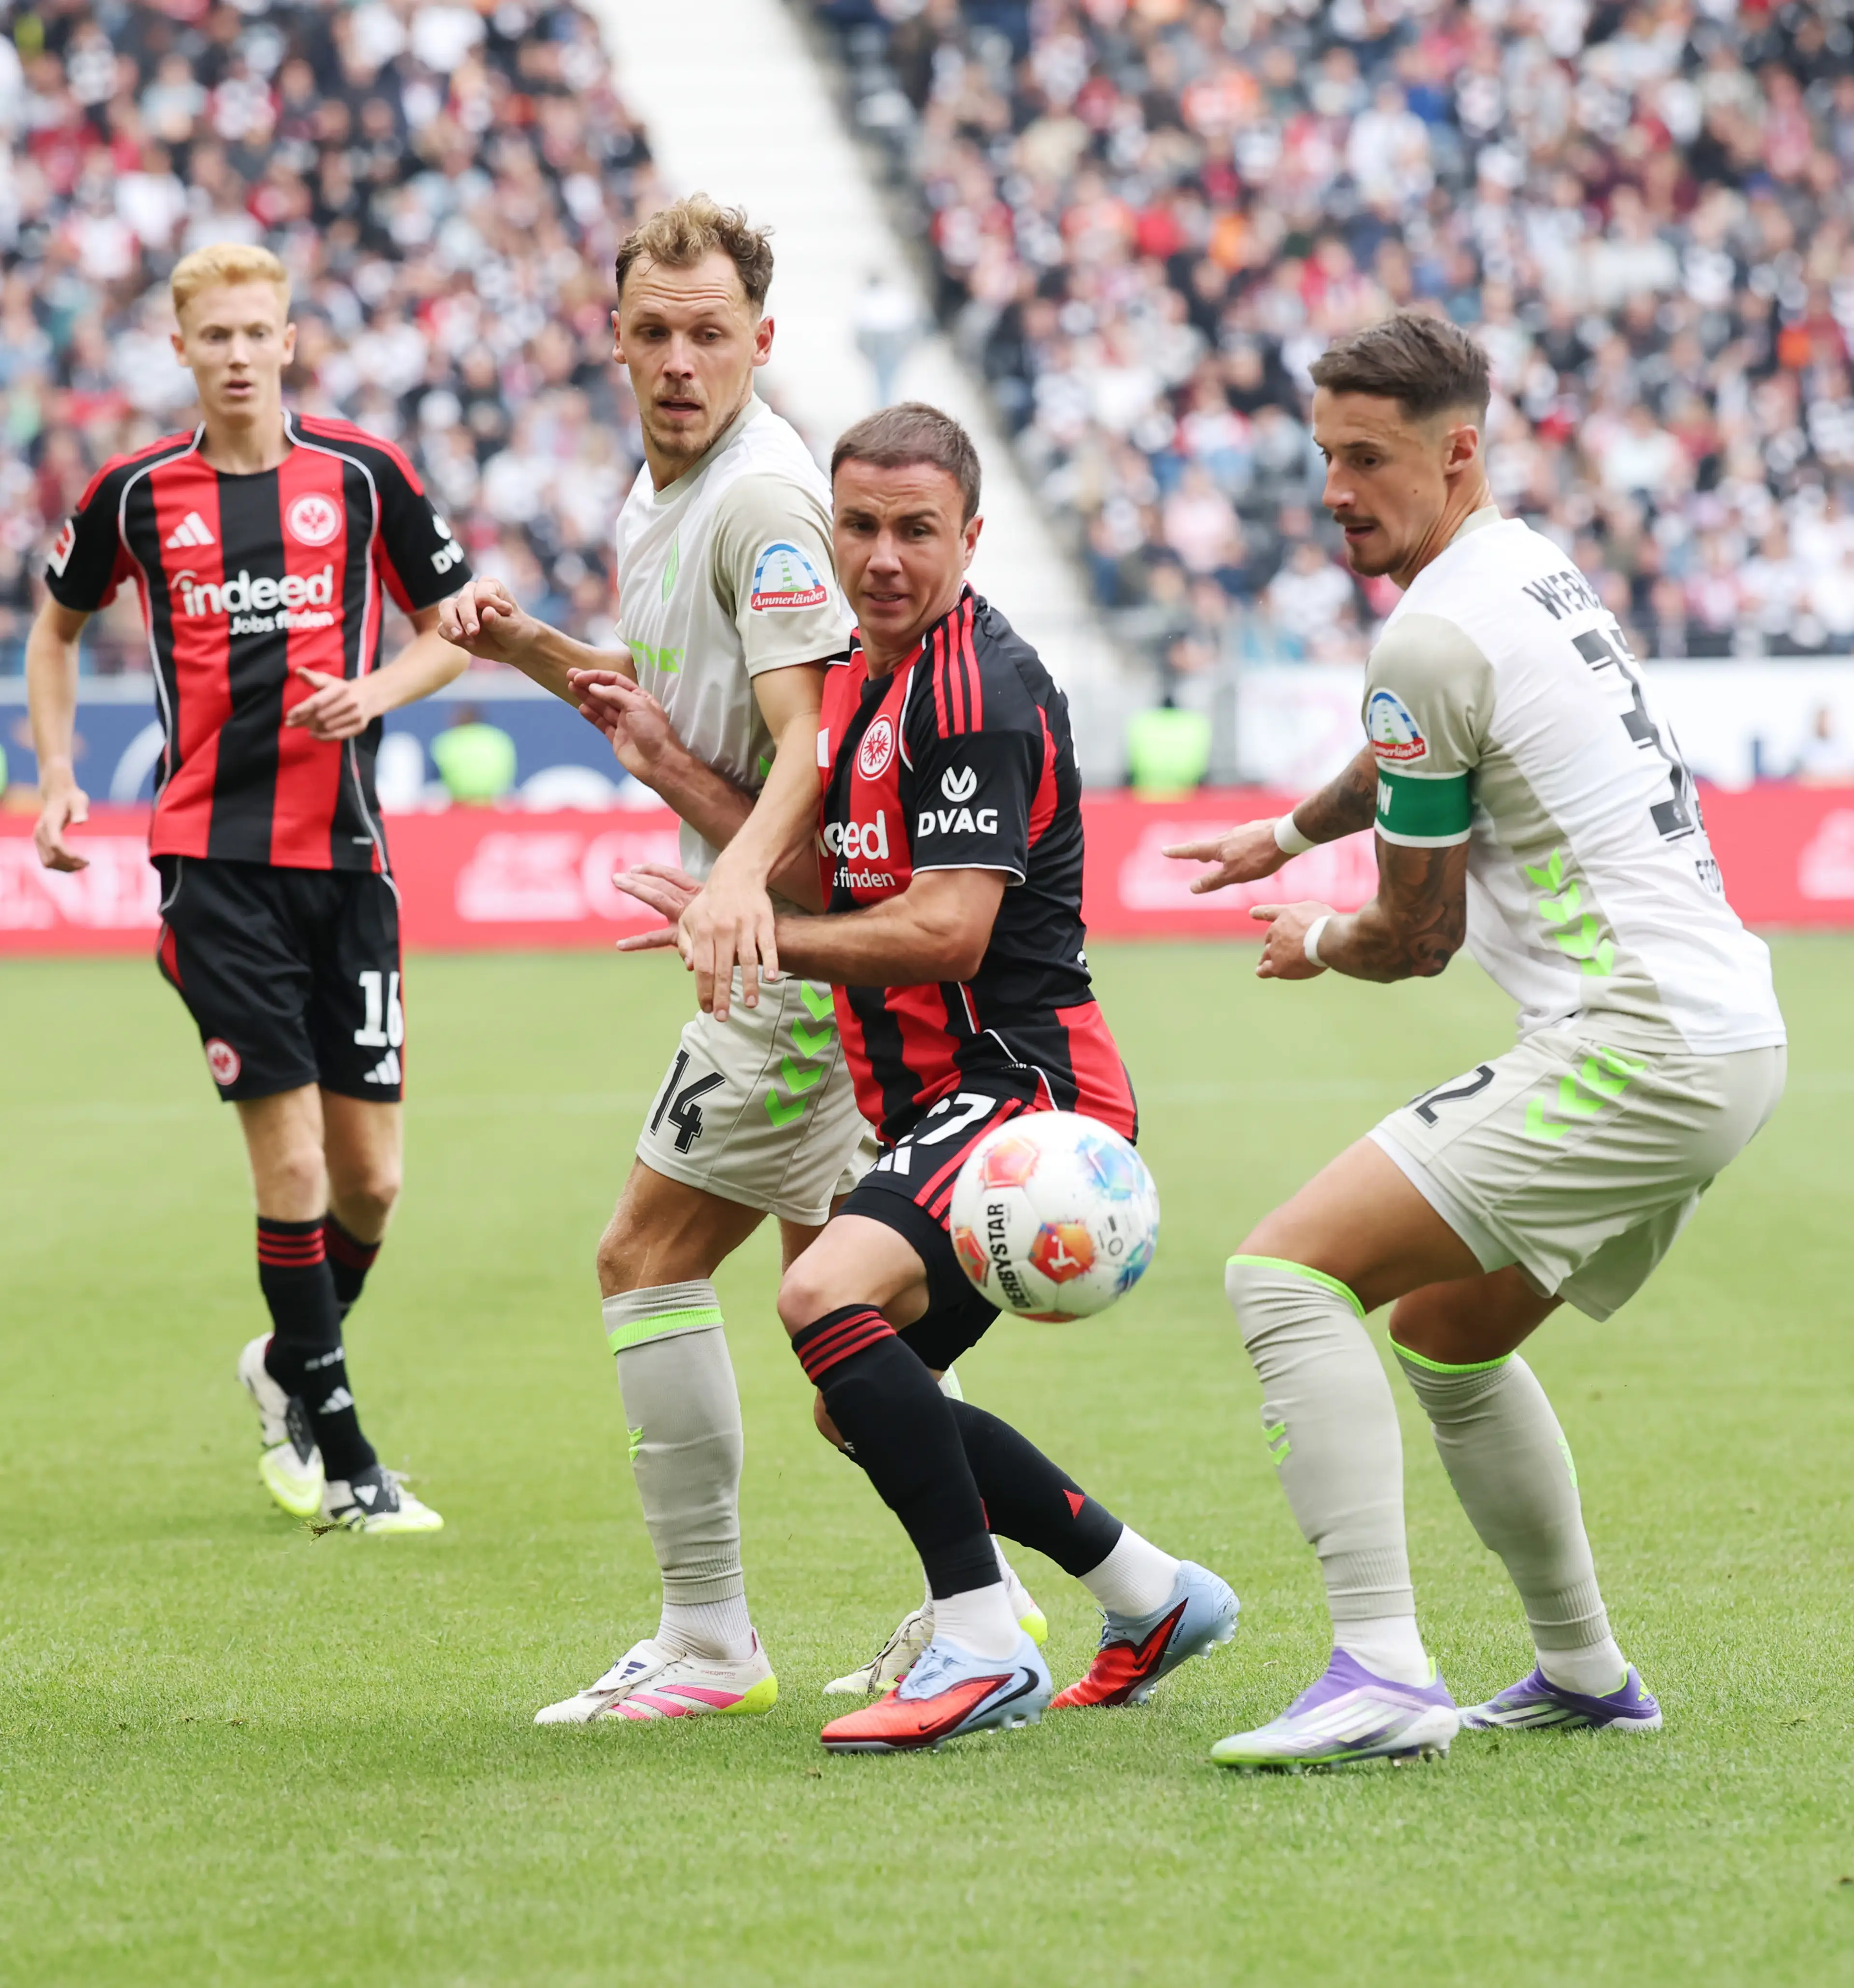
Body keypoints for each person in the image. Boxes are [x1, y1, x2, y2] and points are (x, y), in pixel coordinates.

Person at [437, 198, 1044, 1725]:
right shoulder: (673, 494)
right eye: (655, 331)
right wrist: (525, 650)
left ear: (761, 342)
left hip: (786, 953)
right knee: (858, 1355)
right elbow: (675, 700)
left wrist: (728, 889)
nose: (680, 359)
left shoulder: (767, 501)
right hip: (806, 946)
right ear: (618, 339)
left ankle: (710, 1640)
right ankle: (1053, 1596)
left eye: (711, 334)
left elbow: (805, 743)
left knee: (645, 1259)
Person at [1165, 313, 1786, 1770]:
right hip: (1722, 1027)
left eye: (1368, 458)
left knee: (1280, 1270)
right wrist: (1288, 829)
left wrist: (1315, 932)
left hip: (1638, 1040)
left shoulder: (1429, 629)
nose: (1336, 489)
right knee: (1448, 1337)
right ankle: (1581, 1671)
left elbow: (1417, 934)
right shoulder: (1521, 566)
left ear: (1458, 452)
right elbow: (1419, 745)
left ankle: (1379, 1663)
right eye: (1325, 455)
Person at [669, 403, 1239, 1753]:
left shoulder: (978, 688)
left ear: (969, 537)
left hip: (1030, 1097)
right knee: (855, 1397)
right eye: (857, 526)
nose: (880, 557)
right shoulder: (866, 678)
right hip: (949, 1104)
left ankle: (980, 1637)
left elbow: (946, 929)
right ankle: (1151, 1593)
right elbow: (842, 882)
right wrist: (689, 803)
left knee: (821, 1293)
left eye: (914, 530)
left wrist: (764, 930)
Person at [28, 243, 472, 1534]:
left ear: (290, 341)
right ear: (182, 349)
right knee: (286, 1156)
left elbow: (454, 627)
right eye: (212, 333)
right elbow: (57, 627)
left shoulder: (362, 478)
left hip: (351, 864)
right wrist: (57, 775)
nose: (235, 352)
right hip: (213, 867)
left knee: (372, 1181)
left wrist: (376, 693)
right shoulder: (134, 497)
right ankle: (344, 1456)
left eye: (256, 331)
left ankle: (285, 1363)